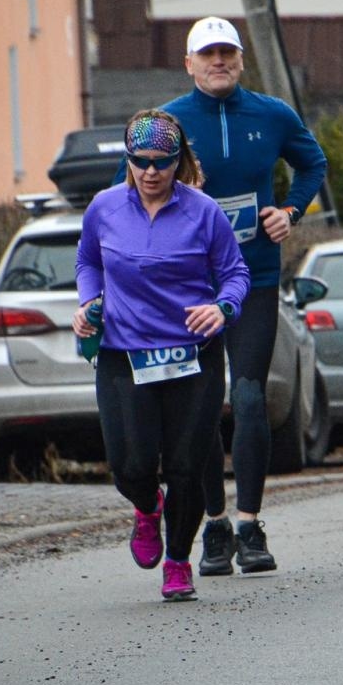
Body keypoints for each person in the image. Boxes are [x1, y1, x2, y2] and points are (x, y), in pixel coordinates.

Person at [160, 17, 328, 575]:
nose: (219, 63)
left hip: (253, 276)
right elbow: (127, 188)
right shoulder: (169, 123)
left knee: (251, 398)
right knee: (203, 410)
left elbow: (313, 165)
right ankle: (214, 526)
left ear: (240, 60)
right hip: (191, 287)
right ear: (189, 64)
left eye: (228, 53)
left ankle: (250, 523)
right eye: (207, 55)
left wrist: (289, 212)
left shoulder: (272, 115)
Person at [73, 110, 250, 601]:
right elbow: (88, 260)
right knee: (128, 464)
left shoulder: (203, 211)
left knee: (186, 466)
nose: (150, 172)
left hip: (193, 356)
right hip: (123, 354)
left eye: (162, 162)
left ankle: (178, 562)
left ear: (179, 161)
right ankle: (147, 509)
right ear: (128, 160)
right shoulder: (104, 208)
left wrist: (223, 308)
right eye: (140, 161)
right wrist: (88, 302)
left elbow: (235, 272)